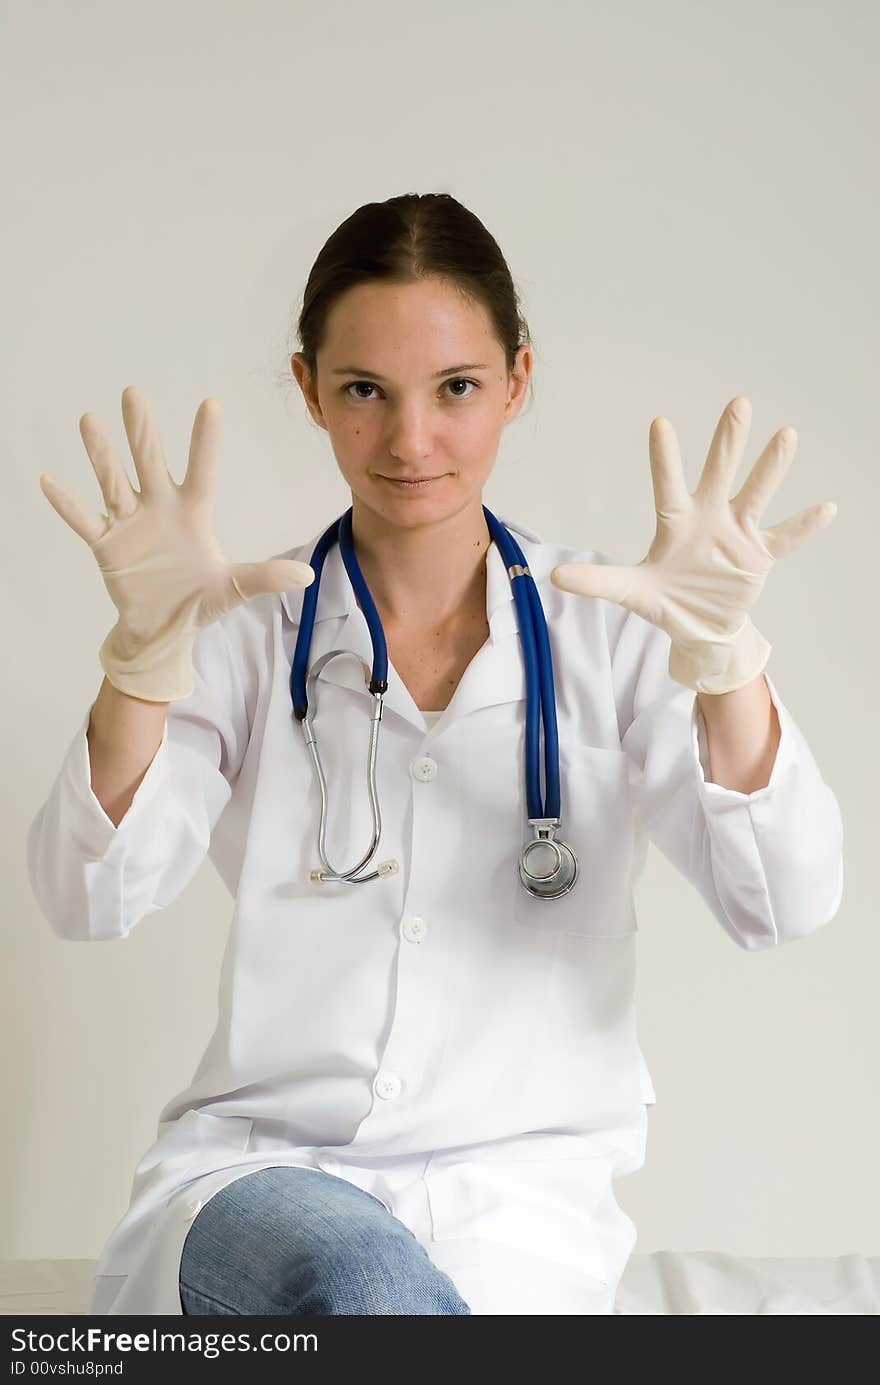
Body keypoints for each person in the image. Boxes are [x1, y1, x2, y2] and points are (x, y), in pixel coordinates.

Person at [26, 192, 844, 1317]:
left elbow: (784, 900)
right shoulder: (242, 625)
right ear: (310, 389)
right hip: (263, 1179)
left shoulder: (618, 626)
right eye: (365, 390)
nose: (411, 440)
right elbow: (88, 895)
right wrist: (138, 662)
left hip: (518, 1198)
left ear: (515, 378)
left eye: (455, 388)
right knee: (358, 1277)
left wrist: (726, 659)